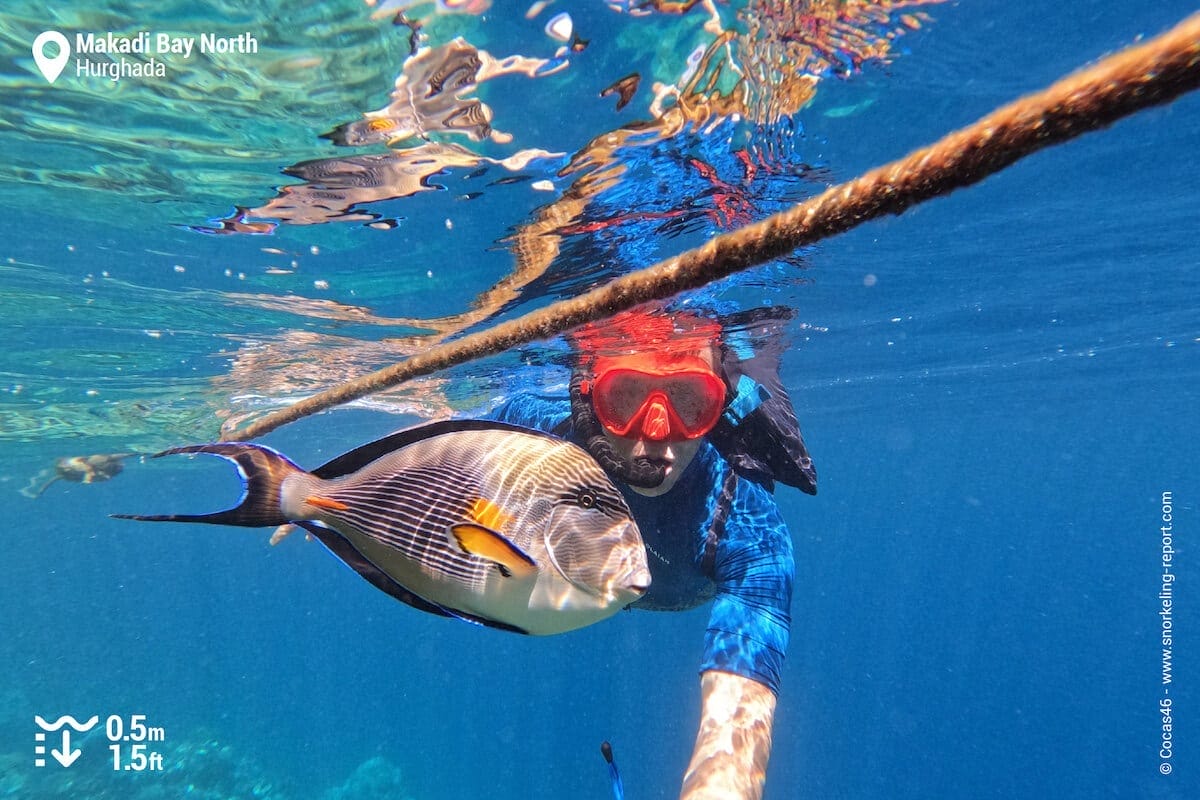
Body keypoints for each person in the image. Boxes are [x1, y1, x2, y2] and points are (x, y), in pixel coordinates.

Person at [494, 307, 816, 800]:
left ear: (720, 401)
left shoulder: (750, 529)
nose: (656, 435)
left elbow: (735, 731)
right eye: (625, 397)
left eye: (690, 402)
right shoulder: (539, 435)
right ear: (588, 399)